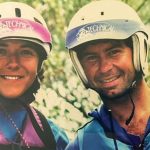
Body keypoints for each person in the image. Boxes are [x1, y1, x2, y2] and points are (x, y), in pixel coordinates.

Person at [65, 0, 150, 149]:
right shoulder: (82, 144)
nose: (104, 68)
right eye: (91, 58)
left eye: (114, 52)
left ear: (139, 52)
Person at [0, 1, 69, 150]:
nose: (13, 63)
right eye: (1, 51)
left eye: (25, 52)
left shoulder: (51, 135)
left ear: (39, 65)